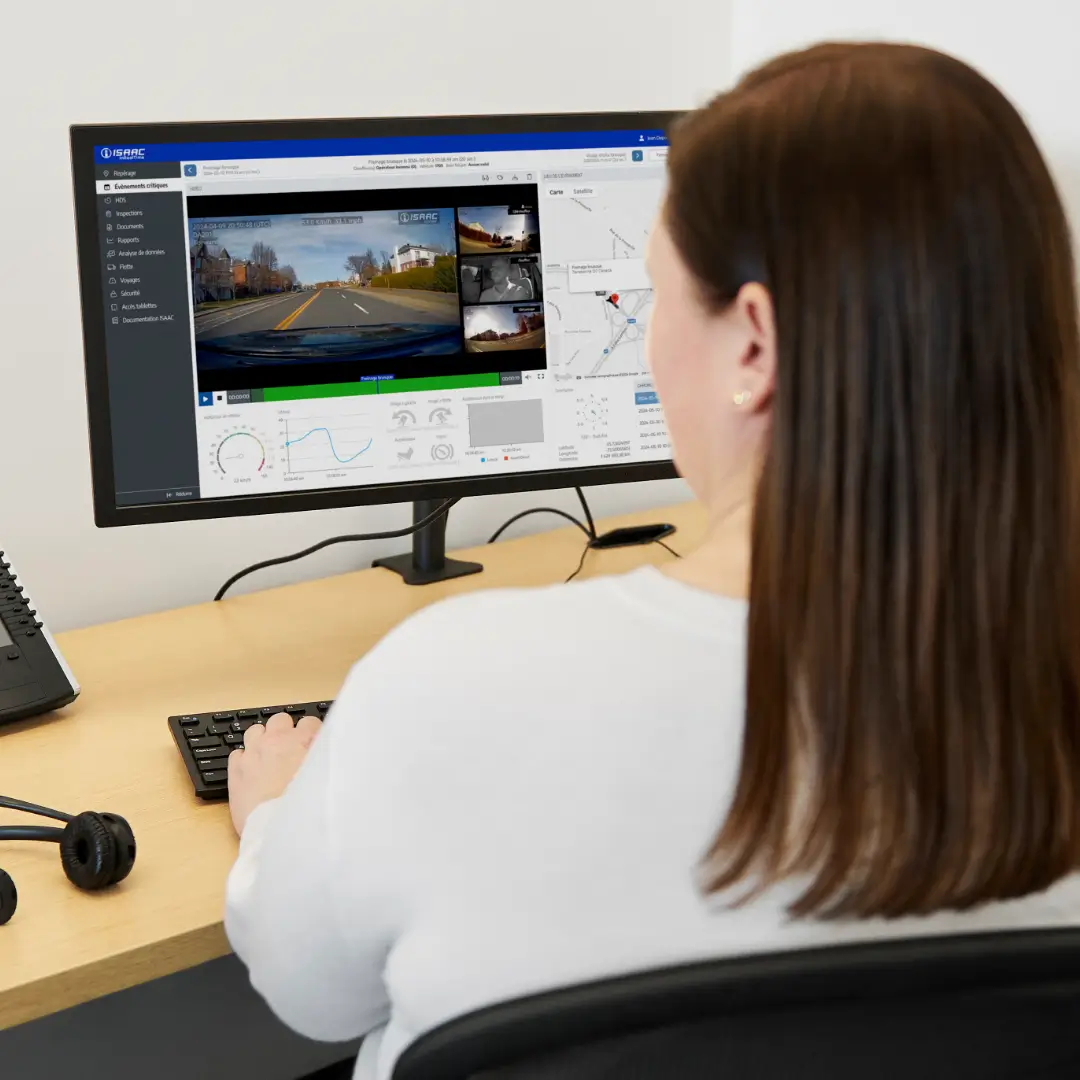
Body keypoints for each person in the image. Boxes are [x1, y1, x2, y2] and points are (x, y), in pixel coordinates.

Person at [223, 42, 1080, 1079]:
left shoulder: (444, 682)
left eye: (654, 295)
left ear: (753, 344)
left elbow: (310, 996)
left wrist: (273, 811)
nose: (646, 337)